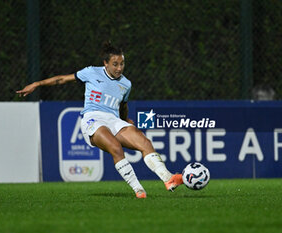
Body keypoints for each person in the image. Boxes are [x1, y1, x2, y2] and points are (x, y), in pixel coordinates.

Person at [16, 41, 183, 198]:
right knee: (115, 148)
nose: (119, 68)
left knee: (145, 143)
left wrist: (125, 120)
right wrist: (37, 84)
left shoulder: (126, 84)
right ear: (106, 63)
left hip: (114, 119)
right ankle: (138, 189)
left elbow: (122, 106)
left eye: (122, 64)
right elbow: (62, 79)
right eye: (115, 64)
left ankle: (168, 179)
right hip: (93, 118)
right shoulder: (91, 72)